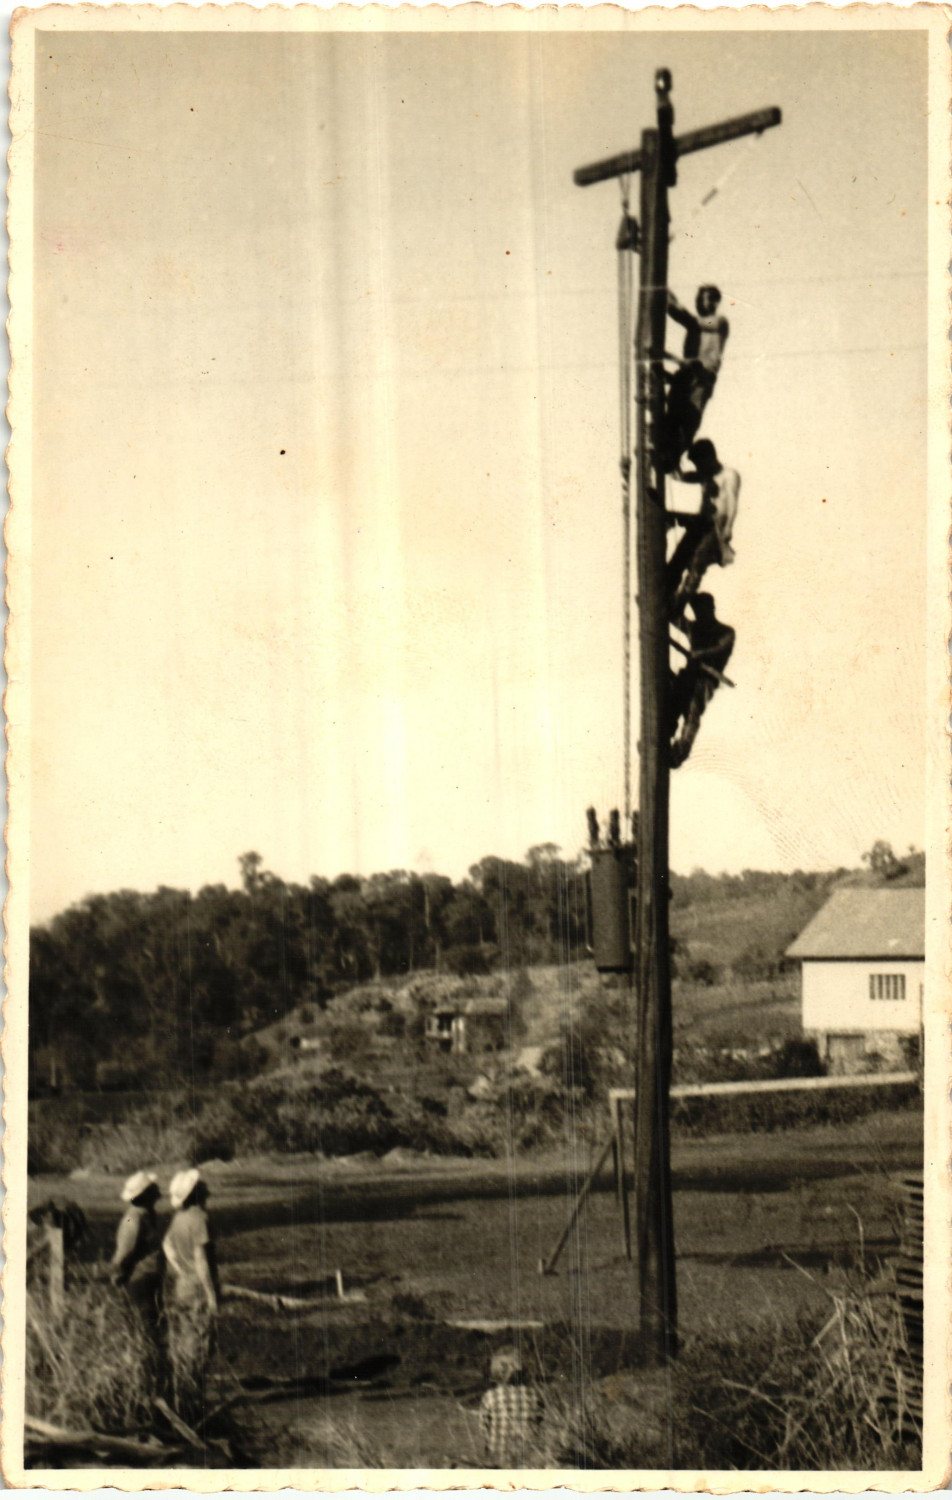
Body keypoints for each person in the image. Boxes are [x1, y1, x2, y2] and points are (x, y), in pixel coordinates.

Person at [162, 1168, 220, 1412]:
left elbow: (167, 1246)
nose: (207, 1189)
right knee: (200, 1342)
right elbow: (202, 1260)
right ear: (197, 1193)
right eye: (202, 1186)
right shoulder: (199, 1218)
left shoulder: (178, 1218)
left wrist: (179, 1268)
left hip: (182, 1283)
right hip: (197, 1284)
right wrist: (211, 1295)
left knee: (186, 1340)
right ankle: (193, 1396)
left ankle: (185, 1393)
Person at [666, 440, 741, 619]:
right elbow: (682, 478)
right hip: (700, 525)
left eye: (700, 463)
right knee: (679, 559)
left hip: (714, 528)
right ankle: (666, 592)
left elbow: (731, 504)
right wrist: (672, 463)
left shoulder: (728, 476)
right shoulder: (704, 476)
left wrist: (727, 530)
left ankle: (679, 603)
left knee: (697, 564)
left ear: (710, 458)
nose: (699, 468)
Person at [662, 285, 729, 472]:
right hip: (688, 372)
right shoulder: (695, 327)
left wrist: (671, 302)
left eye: (704, 298)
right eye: (698, 299)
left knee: (691, 416)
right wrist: (667, 299)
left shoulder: (719, 322)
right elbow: (683, 317)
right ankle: (668, 453)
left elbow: (692, 321)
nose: (699, 302)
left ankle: (675, 455)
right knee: (673, 409)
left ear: (715, 302)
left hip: (703, 374)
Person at [669, 593, 735, 768]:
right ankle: (666, 735)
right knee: (672, 702)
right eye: (696, 610)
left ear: (711, 609)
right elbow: (674, 618)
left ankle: (680, 751)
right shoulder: (694, 628)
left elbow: (721, 647)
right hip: (689, 675)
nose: (699, 614)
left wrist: (701, 654)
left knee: (692, 712)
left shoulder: (725, 632)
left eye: (702, 609)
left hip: (705, 680)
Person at [109, 1170, 163, 1334]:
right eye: (153, 1188)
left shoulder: (146, 1214)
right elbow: (125, 1250)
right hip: (139, 1277)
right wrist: (117, 1272)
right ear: (145, 1194)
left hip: (148, 1275)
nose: (158, 1191)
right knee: (144, 1324)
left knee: (152, 1321)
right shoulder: (133, 1217)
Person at [479, 1347, 543, 1466]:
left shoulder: (490, 1397)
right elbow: (539, 1422)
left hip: (498, 1457)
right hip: (528, 1457)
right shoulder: (535, 1395)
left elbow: (484, 1430)